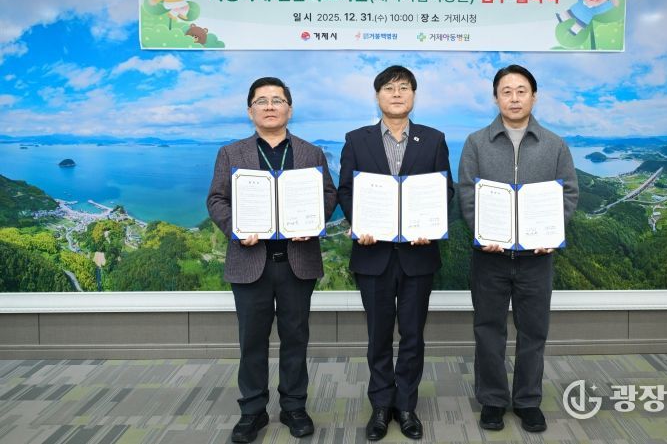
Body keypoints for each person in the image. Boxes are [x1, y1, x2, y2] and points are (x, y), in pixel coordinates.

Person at [206, 77, 337, 443]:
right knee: (252, 341)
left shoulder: (311, 153)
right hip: (250, 261)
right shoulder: (230, 153)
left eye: (277, 100)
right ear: (250, 111)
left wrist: (313, 223)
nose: (269, 106)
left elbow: (328, 194)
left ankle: (294, 407)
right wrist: (236, 229)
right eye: (261, 101)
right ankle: (252, 411)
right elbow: (216, 199)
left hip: (297, 261)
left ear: (289, 109)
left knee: (296, 338)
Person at [457, 64, 578, 434]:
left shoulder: (554, 144)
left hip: (536, 259)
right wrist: (482, 231)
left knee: (533, 332)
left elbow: (569, 193)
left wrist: (549, 233)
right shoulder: (476, 143)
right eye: (506, 91)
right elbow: (466, 193)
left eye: (521, 91)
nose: (514, 98)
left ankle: (527, 401)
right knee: (488, 330)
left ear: (534, 97)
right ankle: (492, 400)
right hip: (489, 257)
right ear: (495, 98)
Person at [338, 65, 454, 441]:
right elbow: (346, 190)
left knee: (413, 335)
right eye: (389, 88)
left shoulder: (433, 140)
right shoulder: (357, 140)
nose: (397, 94)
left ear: (414, 95)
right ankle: (380, 405)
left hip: (418, 255)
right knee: (378, 336)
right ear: (377, 96)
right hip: (373, 254)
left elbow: (445, 190)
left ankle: (406, 406)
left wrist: (429, 226)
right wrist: (360, 222)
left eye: (404, 87)